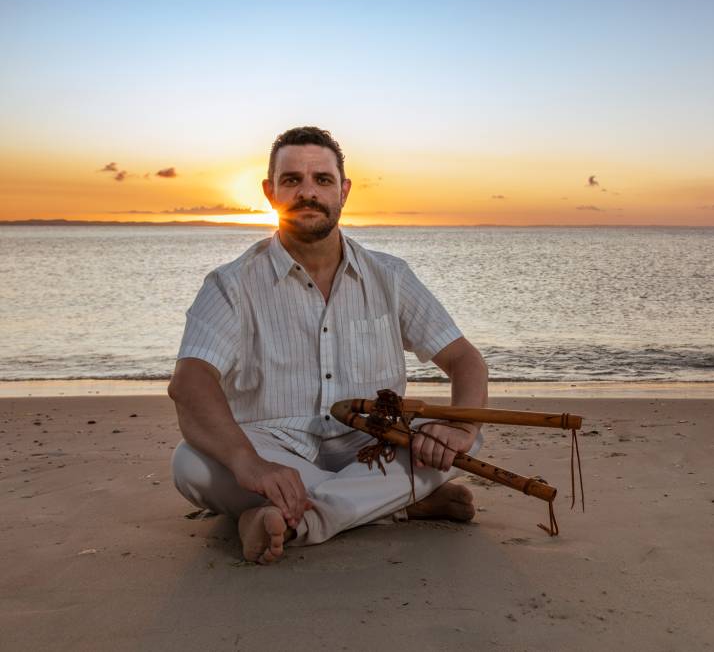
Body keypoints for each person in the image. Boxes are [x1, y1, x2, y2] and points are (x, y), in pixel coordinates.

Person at [168, 126, 489, 564]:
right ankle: (390, 506)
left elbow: (464, 360)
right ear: (270, 192)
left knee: (459, 444)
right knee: (190, 463)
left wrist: (463, 430)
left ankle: (293, 520)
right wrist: (250, 463)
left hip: (372, 447)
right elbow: (190, 382)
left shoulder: (389, 276)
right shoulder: (231, 284)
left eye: (322, 180)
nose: (307, 192)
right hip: (273, 450)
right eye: (291, 180)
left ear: (344, 191)